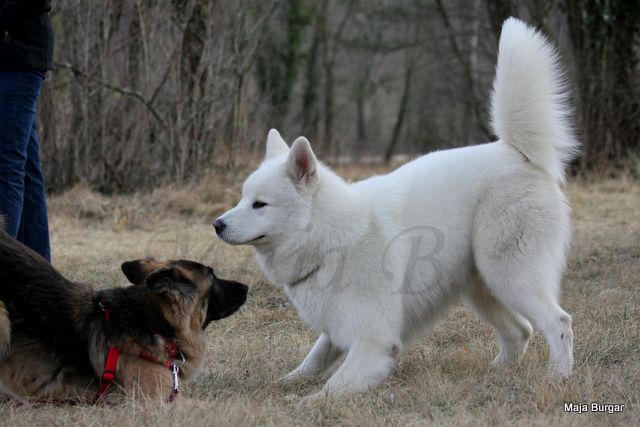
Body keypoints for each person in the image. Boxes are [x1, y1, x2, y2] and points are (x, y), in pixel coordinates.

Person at [0, 0, 53, 261]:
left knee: (8, 163)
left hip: (20, 59)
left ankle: (6, 265)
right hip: (12, 59)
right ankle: (40, 266)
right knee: (26, 170)